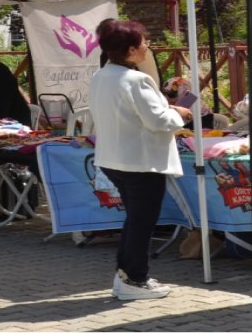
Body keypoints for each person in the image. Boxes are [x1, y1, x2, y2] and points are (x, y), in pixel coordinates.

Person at [88, 20, 192, 300]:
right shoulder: (136, 79)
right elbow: (158, 121)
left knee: (135, 220)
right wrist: (180, 114)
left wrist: (168, 110)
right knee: (142, 222)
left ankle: (127, 276)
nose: (148, 46)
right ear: (132, 49)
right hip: (140, 161)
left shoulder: (101, 76)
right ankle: (134, 279)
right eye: (145, 41)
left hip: (115, 158)